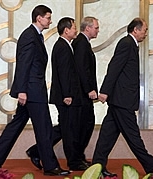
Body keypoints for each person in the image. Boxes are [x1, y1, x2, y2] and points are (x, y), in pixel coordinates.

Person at [0, 5, 69, 176]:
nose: (50, 21)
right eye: (48, 17)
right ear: (39, 18)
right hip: (32, 91)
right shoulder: (30, 36)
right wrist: (22, 91)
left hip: (31, 89)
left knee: (17, 123)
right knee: (43, 128)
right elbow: (23, 64)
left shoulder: (34, 35)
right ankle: (50, 166)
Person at [91, 17, 153, 177]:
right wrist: (105, 91)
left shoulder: (131, 45)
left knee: (107, 136)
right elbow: (113, 67)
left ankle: (97, 168)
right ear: (135, 30)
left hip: (120, 100)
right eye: (144, 30)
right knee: (133, 136)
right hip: (122, 101)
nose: (146, 33)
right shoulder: (126, 44)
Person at [26, 17, 89, 171]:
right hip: (65, 97)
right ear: (66, 30)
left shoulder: (66, 45)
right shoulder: (62, 46)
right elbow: (63, 73)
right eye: (74, 27)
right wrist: (67, 95)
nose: (76, 30)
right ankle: (73, 161)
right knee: (68, 130)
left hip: (67, 96)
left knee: (64, 128)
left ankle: (36, 150)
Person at [71, 16, 99, 165]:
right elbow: (82, 69)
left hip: (84, 93)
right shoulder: (81, 43)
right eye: (96, 27)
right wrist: (89, 90)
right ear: (87, 28)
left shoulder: (83, 43)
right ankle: (76, 158)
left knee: (85, 124)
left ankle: (79, 156)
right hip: (81, 94)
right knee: (82, 126)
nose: (98, 30)